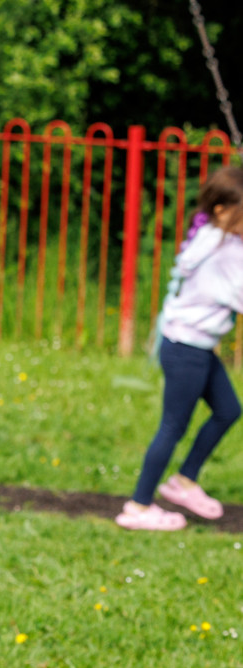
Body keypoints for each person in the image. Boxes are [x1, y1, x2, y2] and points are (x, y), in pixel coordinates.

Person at [117, 166, 243, 531]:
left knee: (228, 409)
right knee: (173, 426)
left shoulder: (212, 233)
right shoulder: (224, 252)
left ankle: (183, 481)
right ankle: (139, 507)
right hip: (187, 348)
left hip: (190, 344)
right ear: (222, 210)